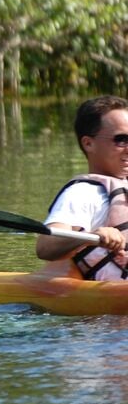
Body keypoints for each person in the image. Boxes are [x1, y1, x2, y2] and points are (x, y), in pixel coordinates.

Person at [36, 95, 128, 281]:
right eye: (121, 140)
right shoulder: (83, 193)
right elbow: (45, 246)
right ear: (88, 143)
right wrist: (91, 236)